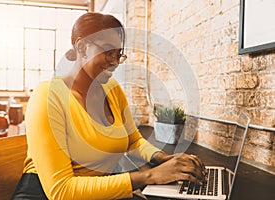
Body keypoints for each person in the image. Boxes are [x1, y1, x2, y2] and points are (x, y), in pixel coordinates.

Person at [12, 12, 207, 200]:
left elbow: (133, 141)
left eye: (118, 54)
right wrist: (152, 175)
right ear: (81, 47)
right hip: (45, 193)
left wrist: (162, 158)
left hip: (96, 190)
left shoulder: (112, 89)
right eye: (107, 52)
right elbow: (61, 190)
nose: (114, 63)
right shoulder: (47, 96)